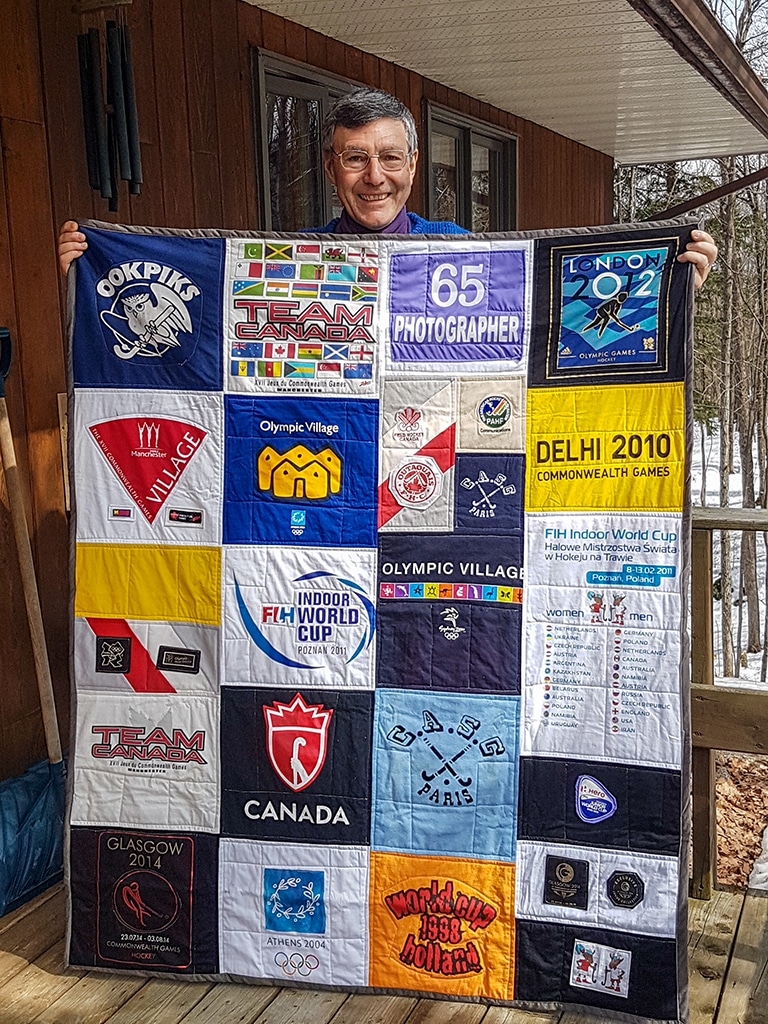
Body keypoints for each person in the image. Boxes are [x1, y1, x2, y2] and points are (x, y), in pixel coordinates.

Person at [57, 87, 718, 283]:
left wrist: (669, 285)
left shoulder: (462, 251)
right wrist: (96, 270)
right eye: (354, 159)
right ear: (329, 168)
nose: (374, 178)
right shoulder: (292, 264)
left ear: (414, 164)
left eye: (389, 158)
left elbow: (553, 312)